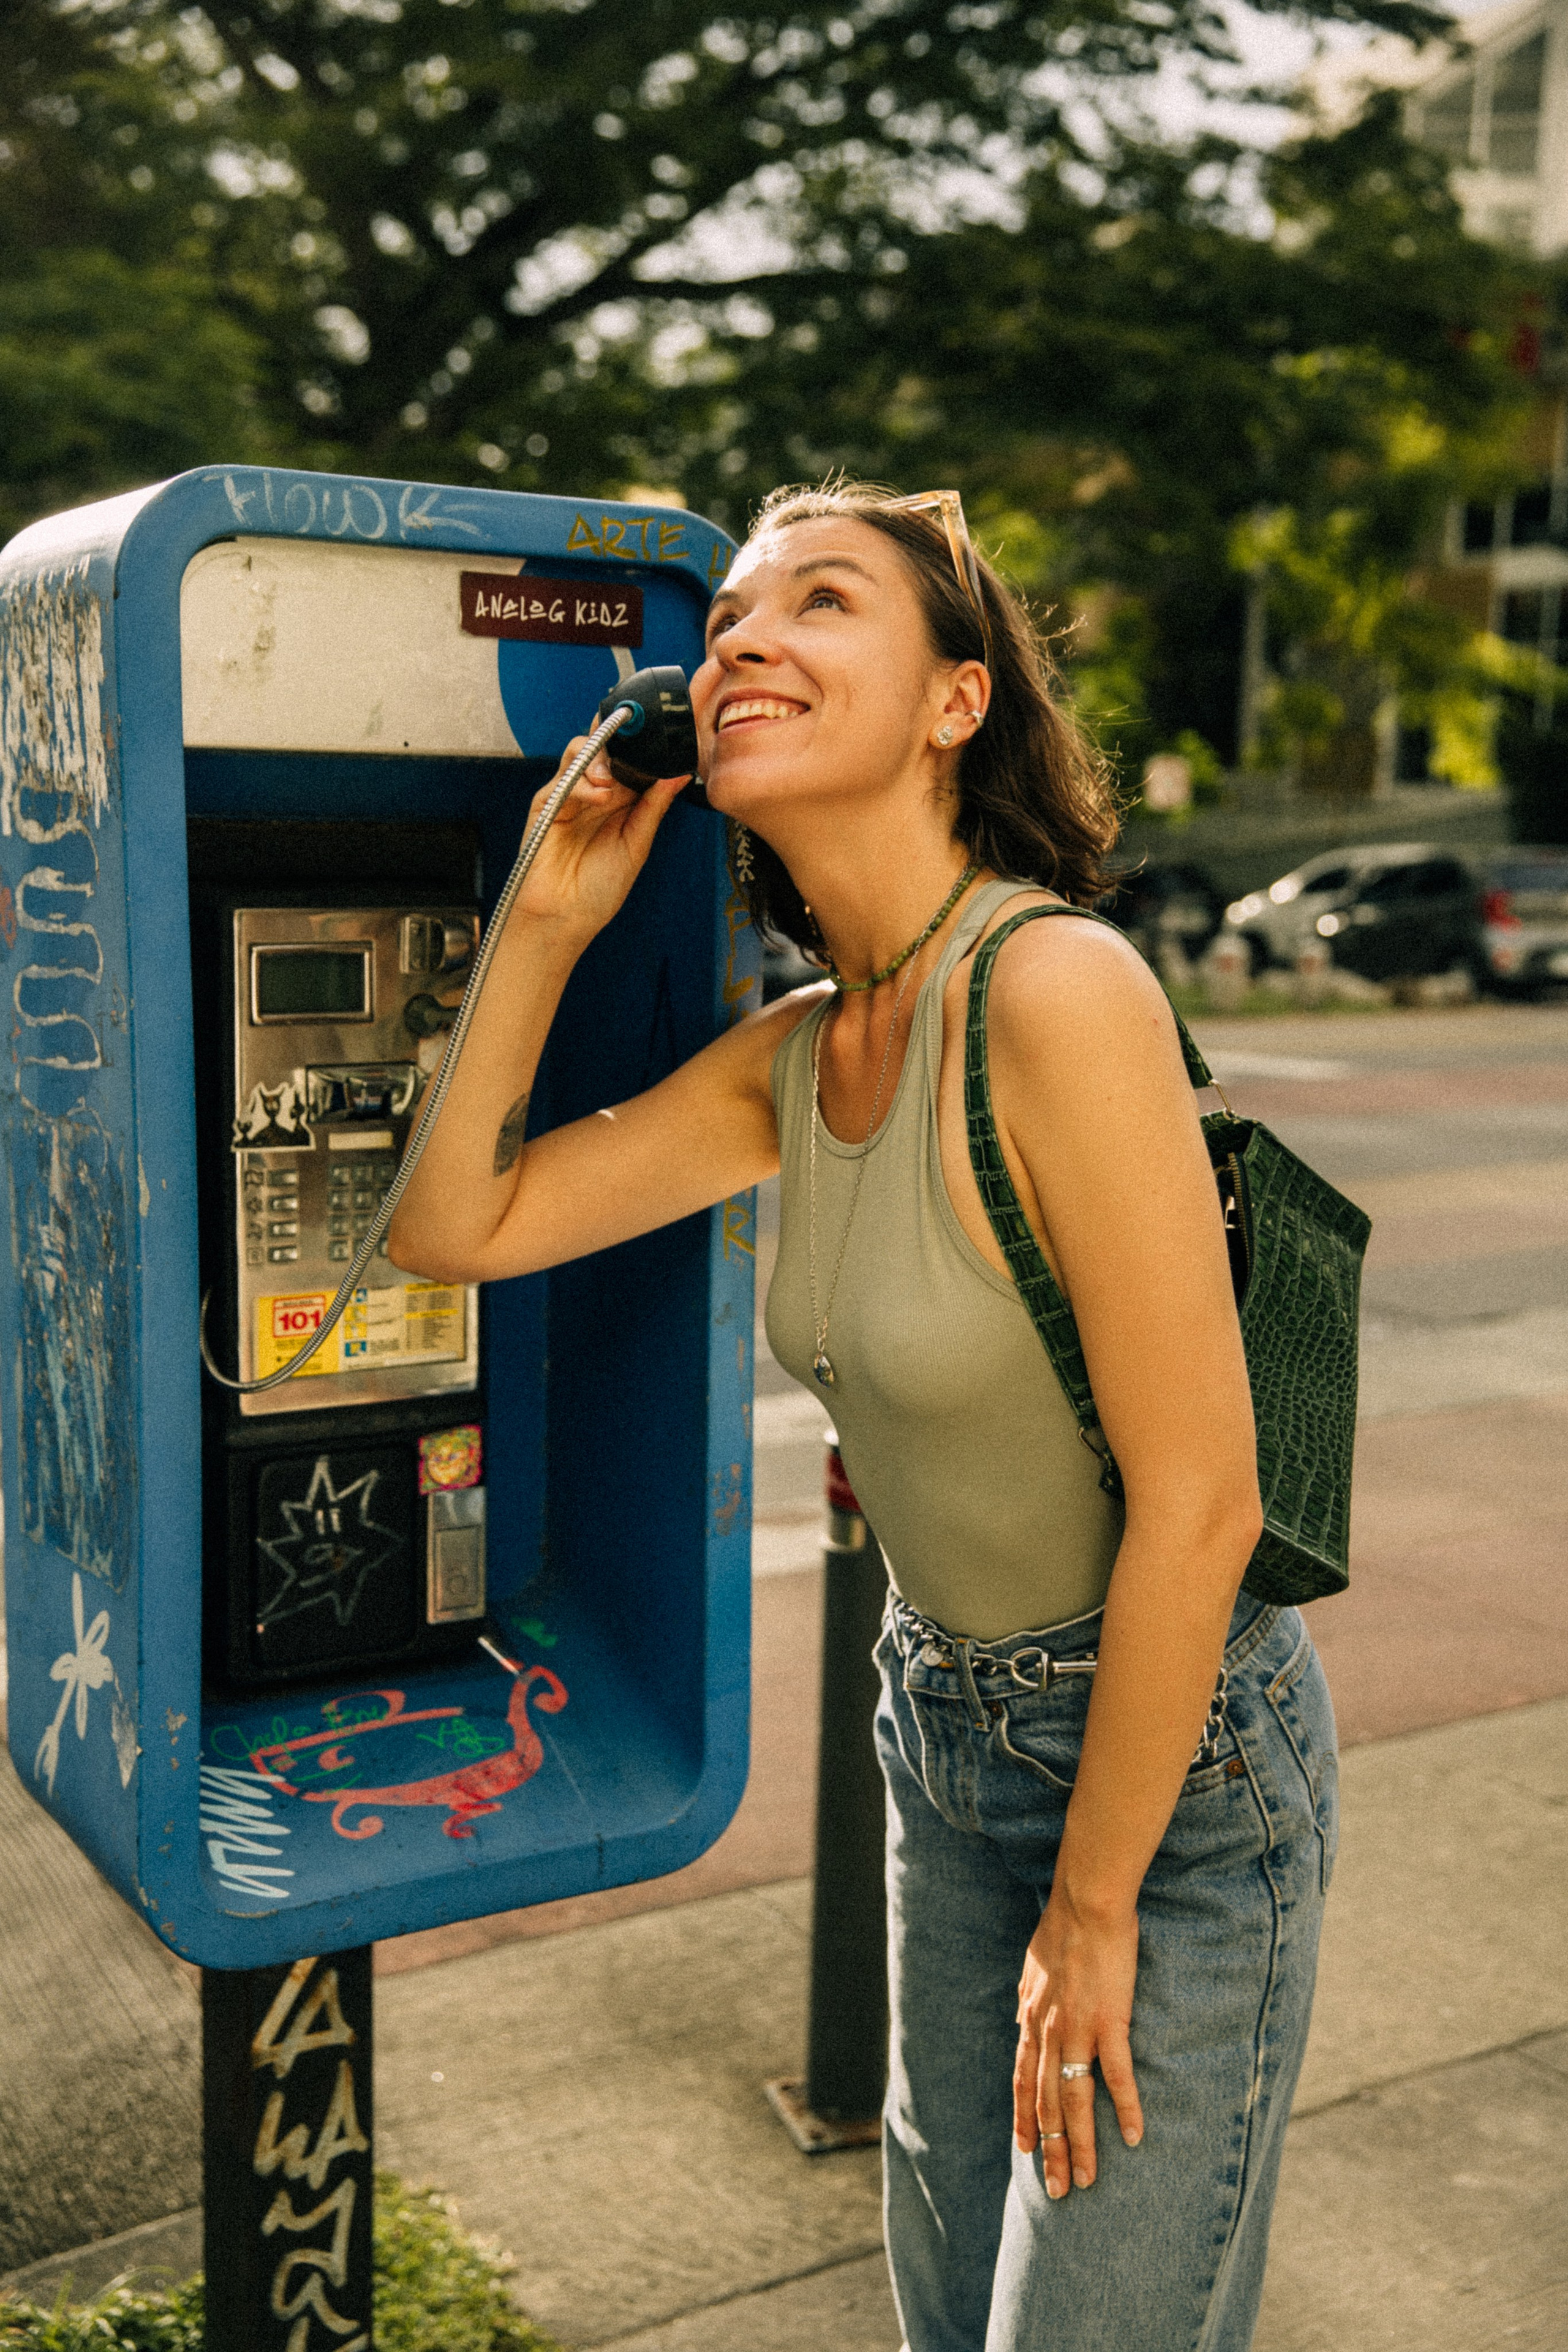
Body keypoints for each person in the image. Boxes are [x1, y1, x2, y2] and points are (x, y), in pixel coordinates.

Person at [388, 481, 1338, 2352]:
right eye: (729, 620)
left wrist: (1096, 1908)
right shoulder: (791, 1054)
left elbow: (1206, 1503)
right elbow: (451, 1227)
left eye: (821, 604)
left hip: (1171, 1775)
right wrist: (546, 917)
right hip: (945, 1740)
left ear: (954, 703)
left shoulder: (1057, 991)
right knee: (944, 2310)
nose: (744, 642)